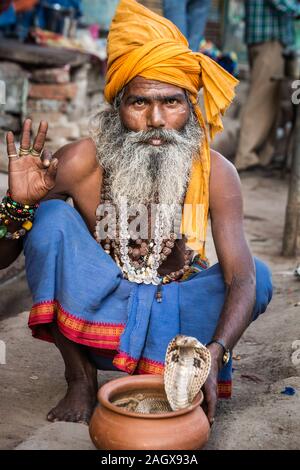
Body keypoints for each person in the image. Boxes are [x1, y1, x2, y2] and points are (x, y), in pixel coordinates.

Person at [0, 0, 272, 427]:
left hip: (177, 324)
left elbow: (241, 279)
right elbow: (5, 261)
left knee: (259, 275)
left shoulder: (217, 173)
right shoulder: (79, 163)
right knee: (49, 220)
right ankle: (80, 378)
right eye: (140, 103)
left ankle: (185, 370)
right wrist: (17, 204)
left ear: (191, 107)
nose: (157, 120)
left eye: (172, 103)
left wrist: (213, 355)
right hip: (96, 317)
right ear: (118, 107)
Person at [235, 0, 300, 171]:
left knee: (271, 99)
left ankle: (263, 155)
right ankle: (246, 156)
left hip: (265, 37)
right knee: (261, 98)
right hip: (269, 39)